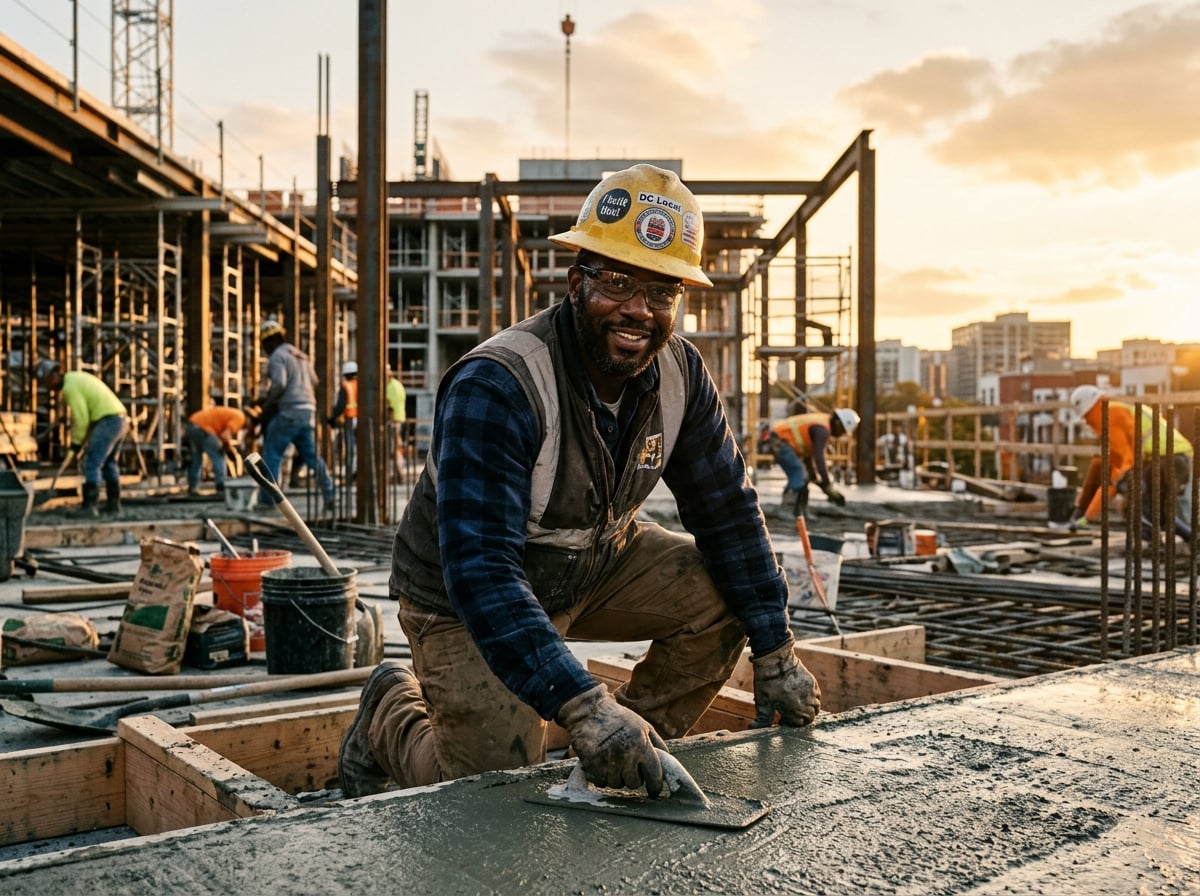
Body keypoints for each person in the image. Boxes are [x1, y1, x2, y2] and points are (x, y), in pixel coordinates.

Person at [338, 163, 821, 799]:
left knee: (728, 590)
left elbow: (728, 512)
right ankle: (390, 711)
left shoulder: (680, 374)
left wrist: (777, 648)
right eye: (617, 282)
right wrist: (584, 705)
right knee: (494, 792)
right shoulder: (501, 383)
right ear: (576, 281)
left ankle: (621, 754)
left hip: (592, 563)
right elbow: (480, 570)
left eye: (661, 292)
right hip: (463, 600)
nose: (638, 310)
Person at [1068, 385, 1193, 540]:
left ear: (1091, 410)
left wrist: (1121, 482)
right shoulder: (1119, 411)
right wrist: (1088, 516)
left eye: (1086, 417)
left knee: (1142, 505)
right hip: (1177, 458)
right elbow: (1111, 483)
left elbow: (1127, 465)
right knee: (1158, 511)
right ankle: (1186, 539)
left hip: (1166, 459)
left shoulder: (1107, 416)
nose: (1087, 422)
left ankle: (1151, 540)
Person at [256, 317, 336, 511]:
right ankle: (329, 493)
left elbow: (279, 384)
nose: (265, 349)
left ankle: (267, 500)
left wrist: (267, 403)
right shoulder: (300, 355)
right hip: (307, 410)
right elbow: (315, 381)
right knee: (312, 456)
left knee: (272, 454)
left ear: (270, 341)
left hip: (289, 411)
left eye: (265, 344)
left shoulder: (277, 356)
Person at [34, 360, 129, 518]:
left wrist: (75, 445)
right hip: (120, 419)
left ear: (54, 376)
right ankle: (114, 506)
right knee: (108, 463)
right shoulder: (75, 378)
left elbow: (82, 419)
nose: (48, 386)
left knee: (92, 463)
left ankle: (90, 507)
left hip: (107, 420)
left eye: (46, 381)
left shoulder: (69, 387)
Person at [760, 407, 860, 518]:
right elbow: (819, 458)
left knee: (804, 477)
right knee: (798, 473)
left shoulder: (822, 423)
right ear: (838, 424)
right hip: (779, 441)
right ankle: (787, 508)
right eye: (842, 431)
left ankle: (800, 512)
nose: (841, 435)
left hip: (780, 440)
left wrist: (813, 475)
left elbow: (808, 456)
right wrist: (827, 484)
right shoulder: (822, 430)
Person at [184, 404, 248, 496]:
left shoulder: (235, 414)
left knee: (197, 457)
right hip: (203, 428)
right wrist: (230, 450)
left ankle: (193, 487)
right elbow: (225, 436)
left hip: (192, 424)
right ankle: (221, 487)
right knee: (219, 454)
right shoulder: (240, 418)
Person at [327, 361, 359, 480]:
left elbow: (341, 405)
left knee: (350, 447)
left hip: (350, 419)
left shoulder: (346, 386)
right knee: (358, 447)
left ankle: (350, 472)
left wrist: (333, 418)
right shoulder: (361, 385)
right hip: (361, 420)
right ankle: (357, 471)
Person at [385, 365, 408, 478]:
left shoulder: (392, 387)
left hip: (395, 421)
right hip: (399, 419)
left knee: (394, 446)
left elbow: (391, 407)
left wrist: (393, 422)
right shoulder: (397, 384)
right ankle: (398, 471)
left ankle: (399, 471)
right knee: (396, 446)